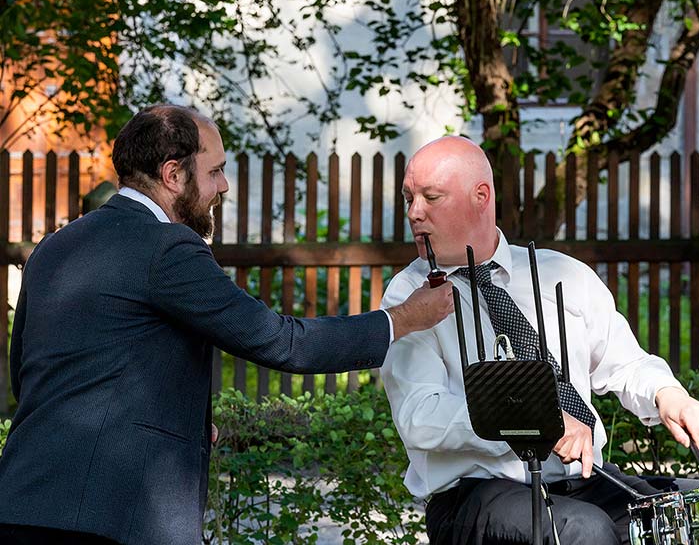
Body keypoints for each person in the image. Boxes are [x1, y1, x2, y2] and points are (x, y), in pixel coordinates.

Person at [0, 104, 453, 545]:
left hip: (20, 501)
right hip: (115, 517)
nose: (224, 185)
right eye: (214, 170)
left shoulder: (55, 247)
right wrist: (401, 318)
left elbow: (32, 374)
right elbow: (280, 342)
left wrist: (181, 422)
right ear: (173, 175)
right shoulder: (167, 247)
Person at [380, 136, 699, 545]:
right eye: (409, 197)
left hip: (583, 482)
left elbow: (625, 363)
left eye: (431, 197)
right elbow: (420, 417)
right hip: (474, 496)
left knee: (692, 514)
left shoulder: (562, 274)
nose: (415, 213)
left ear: (480, 196)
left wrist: (666, 393)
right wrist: (534, 423)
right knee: (584, 531)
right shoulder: (408, 296)